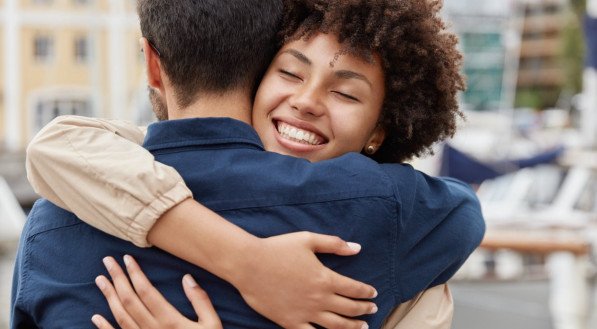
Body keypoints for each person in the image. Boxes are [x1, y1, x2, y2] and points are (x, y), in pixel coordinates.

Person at [13, 0, 484, 328]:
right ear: (258, 66)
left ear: (153, 65)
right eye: (291, 72)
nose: (306, 101)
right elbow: (465, 214)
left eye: (344, 92)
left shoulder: (53, 218)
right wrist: (247, 262)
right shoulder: (395, 217)